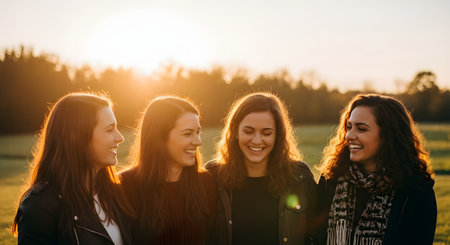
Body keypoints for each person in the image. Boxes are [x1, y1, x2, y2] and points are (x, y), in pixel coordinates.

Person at [12, 92, 134, 244]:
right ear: (76, 136)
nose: (120, 137)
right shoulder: (40, 205)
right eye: (110, 130)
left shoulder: (115, 192)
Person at [316, 94, 437, 245]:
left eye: (361, 129)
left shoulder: (417, 193)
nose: (349, 136)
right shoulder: (330, 181)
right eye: (349, 127)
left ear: (388, 136)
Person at [206, 92, 317, 245]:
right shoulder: (213, 176)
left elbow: (315, 236)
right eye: (248, 131)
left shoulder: (299, 177)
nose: (257, 140)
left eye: (266, 133)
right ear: (236, 132)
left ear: (277, 135)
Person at [120, 96, 216, 244]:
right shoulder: (124, 186)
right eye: (187, 133)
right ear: (159, 138)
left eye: (198, 132)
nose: (198, 141)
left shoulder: (206, 183)